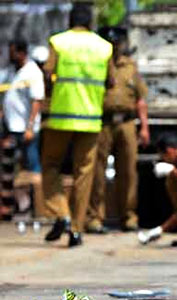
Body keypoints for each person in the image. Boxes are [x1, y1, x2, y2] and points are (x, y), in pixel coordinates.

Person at [41, 3, 114, 247]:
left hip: (61, 116)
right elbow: (112, 81)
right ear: (91, 22)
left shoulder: (59, 42)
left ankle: (61, 212)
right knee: (84, 173)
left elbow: (48, 72)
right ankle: (76, 229)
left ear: (70, 21)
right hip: (91, 119)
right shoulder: (104, 47)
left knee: (51, 165)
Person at [86, 26, 150, 234]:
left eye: (117, 43)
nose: (114, 47)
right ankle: (95, 217)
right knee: (97, 172)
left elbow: (141, 99)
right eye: (110, 43)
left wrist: (144, 127)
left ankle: (129, 217)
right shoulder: (96, 65)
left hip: (127, 123)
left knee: (129, 172)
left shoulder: (130, 66)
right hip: (102, 123)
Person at [0, 39, 45, 220]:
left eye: (13, 52)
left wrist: (30, 127)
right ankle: (13, 209)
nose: (10, 55)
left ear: (21, 52)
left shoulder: (32, 72)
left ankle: (38, 210)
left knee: (32, 169)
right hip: (11, 127)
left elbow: (37, 101)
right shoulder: (11, 72)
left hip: (26, 129)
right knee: (10, 170)